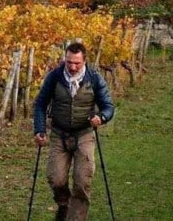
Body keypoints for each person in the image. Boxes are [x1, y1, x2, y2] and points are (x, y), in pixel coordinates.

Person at [33, 42, 114, 221]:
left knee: (82, 181)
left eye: (77, 63)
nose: (72, 66)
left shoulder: (94, 78)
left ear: (84, 61)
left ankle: (75, 218)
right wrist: (39, 130)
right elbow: (40, 104)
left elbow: (108, 106)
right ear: (65, 59)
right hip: (58, 134)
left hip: (84, 134)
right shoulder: (54, 77)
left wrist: (101, 117)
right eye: (69, 62)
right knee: (56, 179)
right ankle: (64, 204)